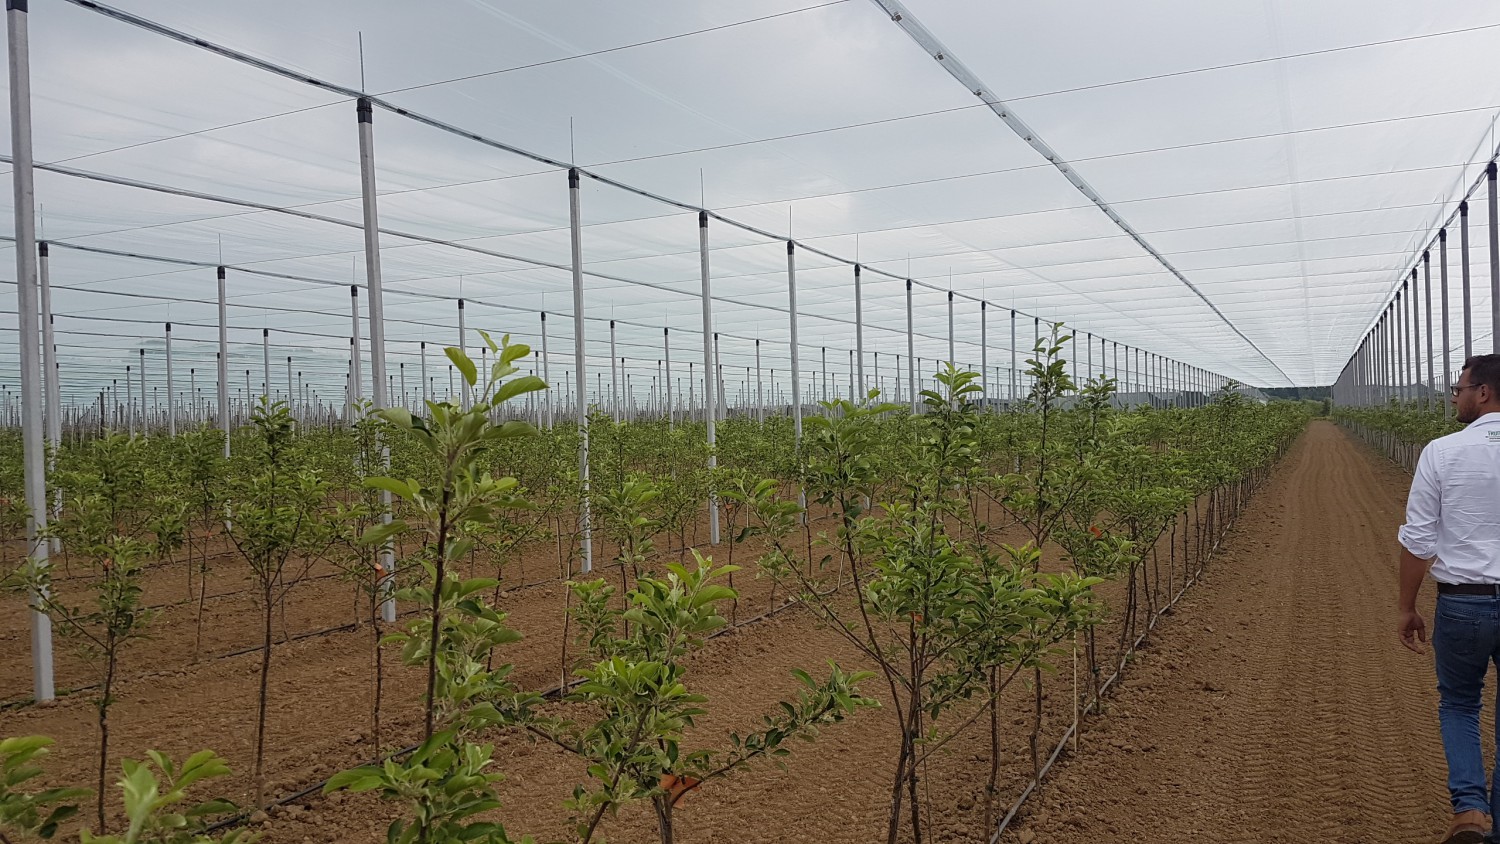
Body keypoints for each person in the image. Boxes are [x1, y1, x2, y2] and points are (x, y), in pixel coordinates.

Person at [1399, 353, 1500, 844]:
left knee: (1460, 704)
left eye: (1460, 388)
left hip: (1463, 601)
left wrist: (1407, 606)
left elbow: (1419, 539)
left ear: (1483, 392)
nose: (1455, 396)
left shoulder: (1441, 451)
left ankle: (1470, 811)